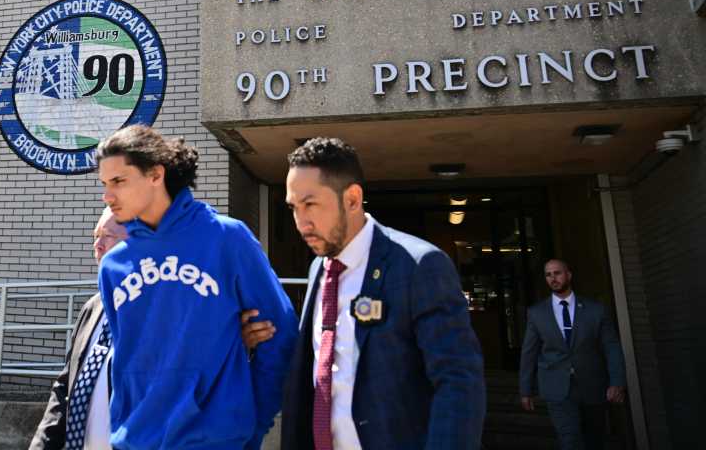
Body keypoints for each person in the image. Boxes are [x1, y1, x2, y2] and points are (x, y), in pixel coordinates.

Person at [96, 125, 298, 450]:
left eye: (118, 181)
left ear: (155, 175)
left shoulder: (226, 238)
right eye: (104, 184)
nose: (108, 196)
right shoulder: (113, 266)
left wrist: (252, 423)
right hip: (134, 441)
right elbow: (125, 361)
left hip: (216, 441)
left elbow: (279, 333)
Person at [279, 137, 485, 450]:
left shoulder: (419, 266)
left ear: (352, 199)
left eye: (310, 204)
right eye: (294, 208)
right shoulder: (318, 268)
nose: (301, 222)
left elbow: (458, 382)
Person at [31, 206, 276, 450]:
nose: (97, 245)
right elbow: (66, 387)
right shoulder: (92, 308)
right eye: (95, 236)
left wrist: (235, 339)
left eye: (108, 236)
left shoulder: (172, 305)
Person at [519, 259, 626, 450]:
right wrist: (526, 390)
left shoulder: (596, 310)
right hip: (557, 387)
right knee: (569, 440)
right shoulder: (536, 313)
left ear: (569, 275)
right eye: (548, 275)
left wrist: (616, 381)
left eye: (557, 273)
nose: (553, 278)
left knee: (594, 440)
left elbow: (611, 346)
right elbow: (529, 353)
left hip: (592, 385)